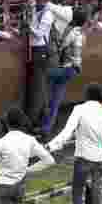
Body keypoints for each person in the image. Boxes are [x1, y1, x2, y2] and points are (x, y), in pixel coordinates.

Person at [42, 8, 87, 136]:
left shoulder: (73, 33)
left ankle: (45, 125)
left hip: (65, 69)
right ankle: (46, 128)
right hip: (68, 70)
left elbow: (63, 47)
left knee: (44, 77)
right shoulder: (77, 33)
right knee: (54, 101)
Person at [26, 0, 56, 128]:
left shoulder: (47, 15)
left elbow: (38, 34)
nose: (40, 2)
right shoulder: (36, 10)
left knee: (39, 86)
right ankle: (40, 117)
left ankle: (38, 120)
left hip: (40, 50)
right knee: (36, 85)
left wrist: (28, 27)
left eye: (43, 0)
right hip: (34, 49)